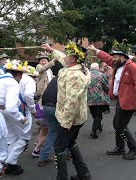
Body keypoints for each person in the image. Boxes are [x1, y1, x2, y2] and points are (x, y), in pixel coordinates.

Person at [88, 39, 136, 160]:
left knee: (120, 126)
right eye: (113, 57)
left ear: (123, 57)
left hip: (129, 102)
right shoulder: (118, 65)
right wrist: (96, 51)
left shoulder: (132, 67)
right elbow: (107, 58)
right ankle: (120, 147)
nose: (113, 59)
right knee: (117, 125)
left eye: (116, 57)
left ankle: (134, 148)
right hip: (121, 100)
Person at [41, 42, 91, 180]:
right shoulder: (74, 66)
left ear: (73, 59)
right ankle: (84, 174)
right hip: (75, 118)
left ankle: (62, 177)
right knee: (70, 142)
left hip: (70, 119)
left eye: (68, 54)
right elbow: (63, 57)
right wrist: (51, 49)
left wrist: (65, 123)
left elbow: (72, 102)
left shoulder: (75, 76)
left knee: (59, 147)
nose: (65, 56)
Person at [1, 61, 37, 175]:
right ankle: (11, 163)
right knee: (24, 136)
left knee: (12, 137)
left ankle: (7, 163)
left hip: (3, 109)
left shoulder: (4, 79)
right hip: (17, 109)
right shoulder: (30, 80)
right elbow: (28, 95)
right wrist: (33, 110)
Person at [33, 52, 56, 157]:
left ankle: (38, 141)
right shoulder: (39, 67)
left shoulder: (50, 71)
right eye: (42, 60)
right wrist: (53, 61)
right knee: (45, 124)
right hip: (42, 95)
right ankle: (39, 146)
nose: (43, 61)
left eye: (45, 60)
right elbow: (42, 69)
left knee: (43, 126)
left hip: (48, 94)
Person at [38, 76, 58, 167]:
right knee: (65, 130)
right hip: (56, 107)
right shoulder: (67, 79)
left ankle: (43, 157)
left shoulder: (54, 79)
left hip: (46, 106)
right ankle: (66, 153)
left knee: (52, 132)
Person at [87, 63, 110, 139]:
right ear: (98, 68)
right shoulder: (101, 75)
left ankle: (98, 125)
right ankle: (94, 130)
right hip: (100, 98)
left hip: (89, 98)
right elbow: (106, 86)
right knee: (98, 115)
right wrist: (107, 93)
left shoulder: (86, 76)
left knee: (94, 114)